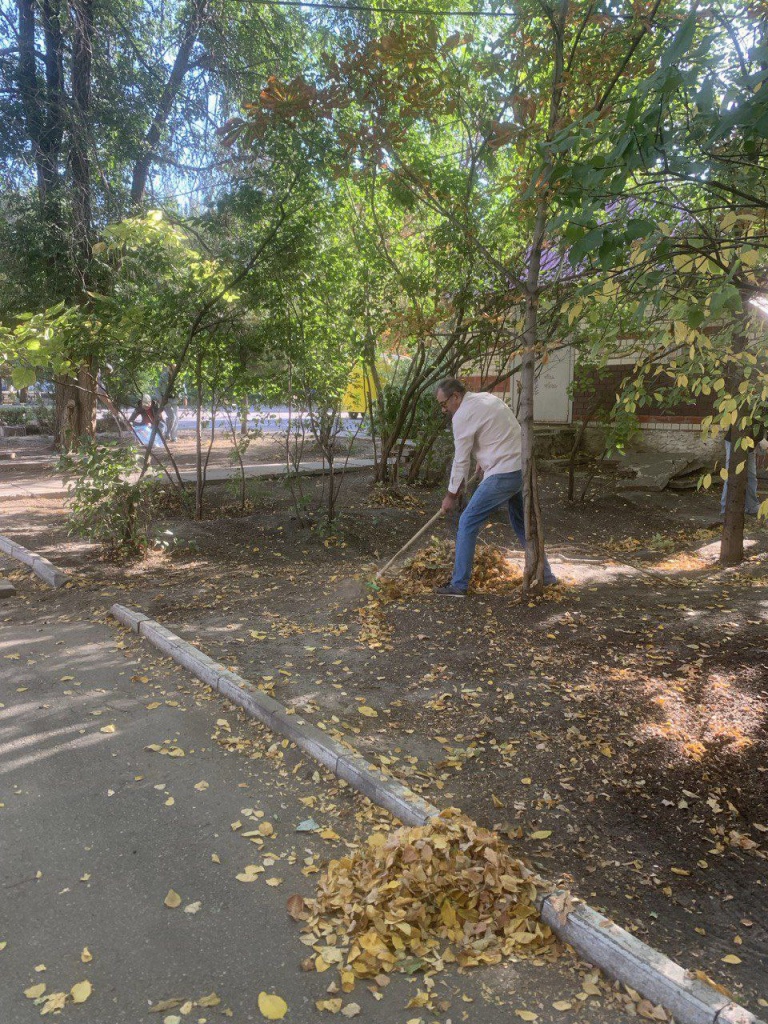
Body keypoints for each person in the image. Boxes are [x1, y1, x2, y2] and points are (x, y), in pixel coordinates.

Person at [434, 378, 557, 597]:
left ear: (456, 397)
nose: (444, 410)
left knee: (467, 521)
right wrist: (484, 460)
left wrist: (451, 495)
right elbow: (503, 430)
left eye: (444, 404)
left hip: (503, 473)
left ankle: (459, 585)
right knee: (521, 522)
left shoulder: (462, 416)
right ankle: (546, 576)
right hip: (521, 468)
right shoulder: (486, 398)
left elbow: (461, 460)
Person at [720, 422, 767, 517]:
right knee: (731, 475)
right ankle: (725, 509)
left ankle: (752, 506)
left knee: (751, 476)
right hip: (735, 442)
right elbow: (743, 424)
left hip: (751, 445)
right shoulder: (751, 408)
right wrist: (762, 440)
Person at [156, 364, 181, 442]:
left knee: (175, 419)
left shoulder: (178, 377)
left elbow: (182, 388)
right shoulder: (163, 376)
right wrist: (160, 399)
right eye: (172, 369)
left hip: (175, 401)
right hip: (166, 400)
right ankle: (167, 434)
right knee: (172, 417)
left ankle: (173, 437)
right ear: (169, 369)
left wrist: (184, 398)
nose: (174, 371)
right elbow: (157, 388)